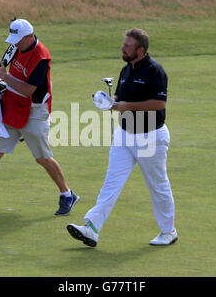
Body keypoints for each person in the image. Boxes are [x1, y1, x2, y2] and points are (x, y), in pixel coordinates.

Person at [67, 28, 177, 247]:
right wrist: (109, 101)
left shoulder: (155, 71)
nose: (122, 48)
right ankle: (91, 228)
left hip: (150, 137)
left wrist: (127, 106)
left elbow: (159, 103)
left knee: (158, 186)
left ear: (141, 49)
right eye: (123, 44)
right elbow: (120, 97)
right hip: (124, 135)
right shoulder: (126, 70)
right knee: (111, 184)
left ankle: (169, 231)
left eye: (127, 46)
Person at [0, 19, 79, 216]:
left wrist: (5, 77)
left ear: (29, 36)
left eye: (18, 40)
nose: (14, 44)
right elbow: (2, 72)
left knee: (42, 158)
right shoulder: (15, 48)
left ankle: (67, 195)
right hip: (13, 107)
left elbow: (28, 90)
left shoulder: (41, 57)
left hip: (35, 112)